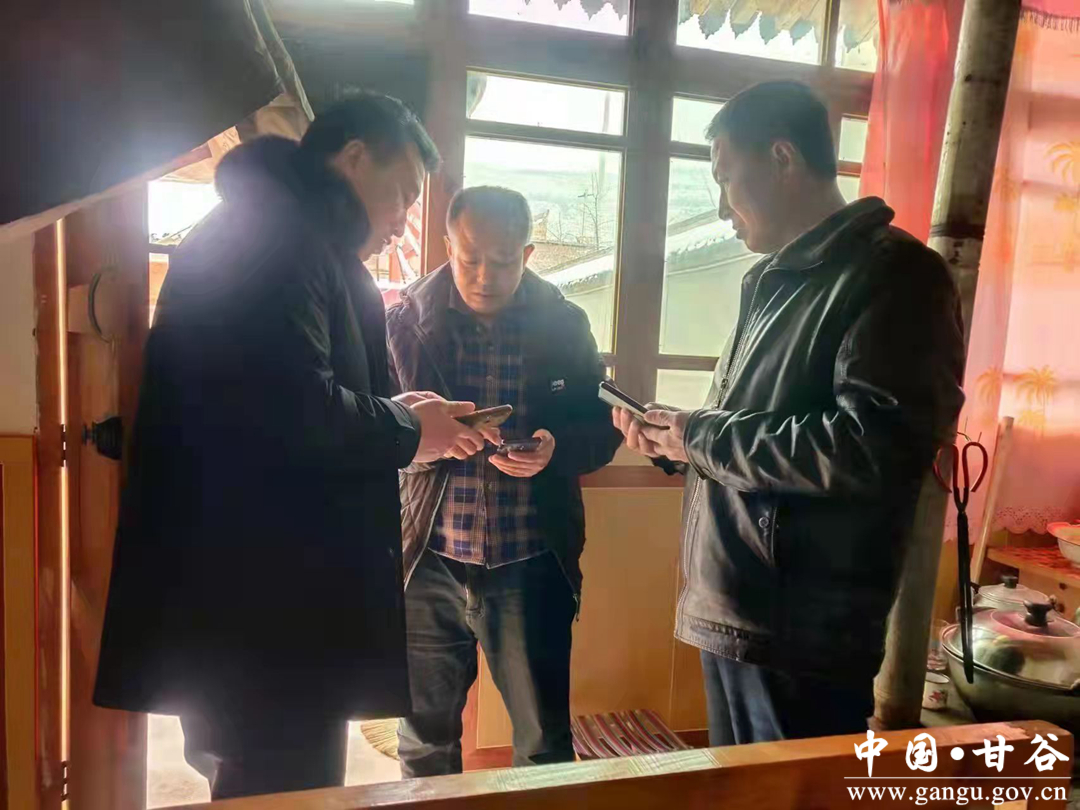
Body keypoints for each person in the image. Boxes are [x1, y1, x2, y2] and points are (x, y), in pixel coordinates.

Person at [93, 93, 487, 800]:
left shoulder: (285, 229)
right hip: (266, 607)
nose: (404, 219)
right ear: (354, 157)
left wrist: (400, 415)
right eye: (402, 193)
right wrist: (405, 430)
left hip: (261, 593)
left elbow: (276, 391)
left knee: (266, 778)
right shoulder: (278, 236)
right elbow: (288, 410)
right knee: (281, 785)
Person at [615, 81, 965, 745]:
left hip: (800, 631)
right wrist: (678, 442)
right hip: (739, 605)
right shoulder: (776, 280)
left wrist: (703, 435)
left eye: (725, 179)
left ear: (782, 158)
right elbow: (760, 430)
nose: (721, 208)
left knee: (791, 789)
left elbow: (872, 448)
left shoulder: (896, 275)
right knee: (743, 789)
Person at [386, 186, 622, 776]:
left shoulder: (563, 323)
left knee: (544, 745)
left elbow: (604, 424)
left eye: (503, 260)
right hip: (427, 561)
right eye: (469, 259)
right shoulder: (403, 322)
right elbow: (368, 431)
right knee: (424, 742)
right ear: (447, 246)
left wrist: (556, 449)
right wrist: (420, 444)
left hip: (530, 559)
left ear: (529, 253)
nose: (484, 276)